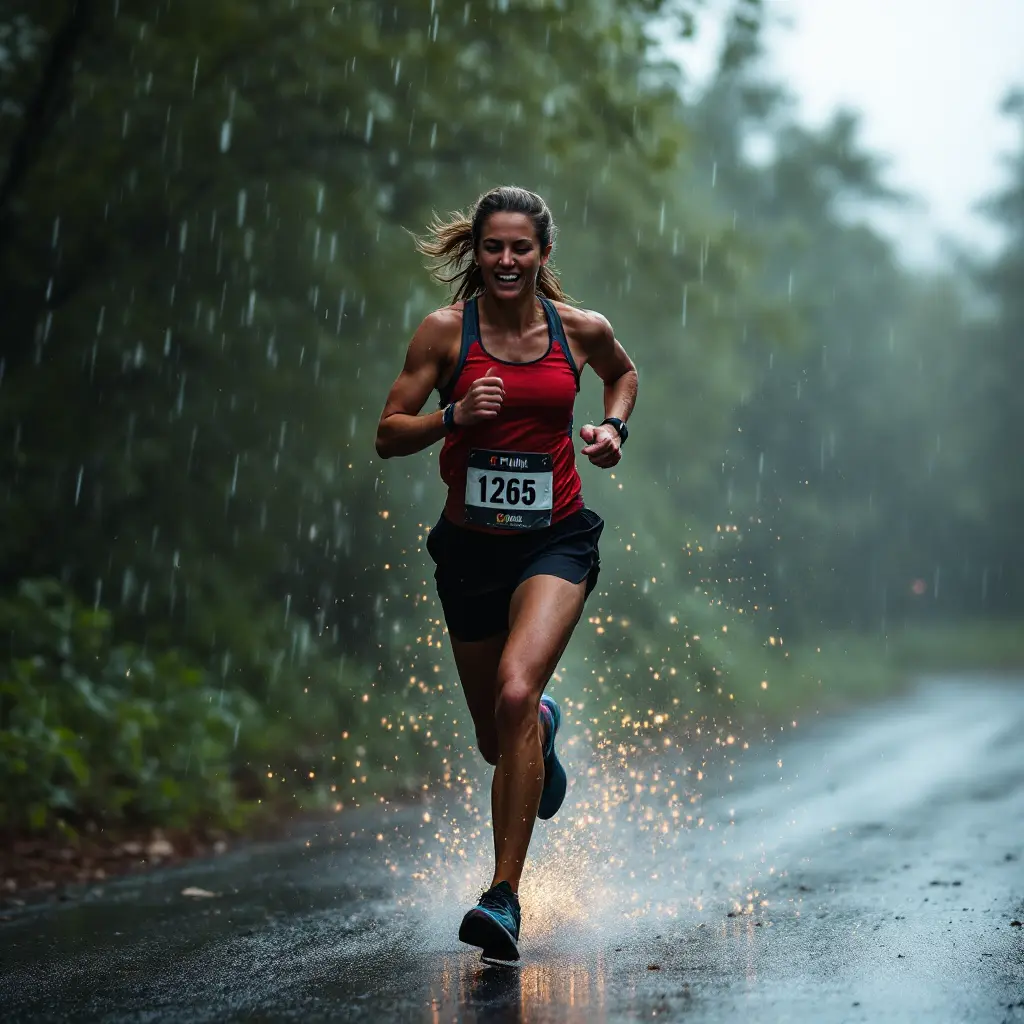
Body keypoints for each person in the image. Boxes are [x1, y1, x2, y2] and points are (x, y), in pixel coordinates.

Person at [375, 185, 637, 961]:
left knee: (516, 690)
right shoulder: (445, 334)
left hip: (554, 540)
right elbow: (388, 434)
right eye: (494, 247)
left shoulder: (580, 330)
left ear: (543, 255)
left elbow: (623, 374)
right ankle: (543, 730)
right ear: (476, 253)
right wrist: (452, 416)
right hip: (470, 552)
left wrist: (613, 428)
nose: (507, 259)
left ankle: (502, 897)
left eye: (522, 247)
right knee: (499, 739)